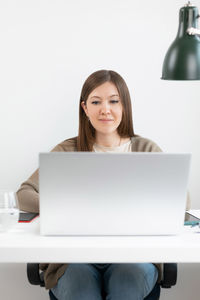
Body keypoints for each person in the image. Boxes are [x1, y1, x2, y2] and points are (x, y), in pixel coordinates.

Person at [17, 70, 189, 300]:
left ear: (124, 107)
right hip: (74, 258)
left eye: (114, 101)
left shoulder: (146, 149)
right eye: (96, 102)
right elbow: (24, 193)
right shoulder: (67, 151)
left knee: (128, 281)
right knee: (80, 289)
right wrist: (63, 206)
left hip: (134, 256)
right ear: (85, 108)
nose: (105, 109)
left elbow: (180, 198)